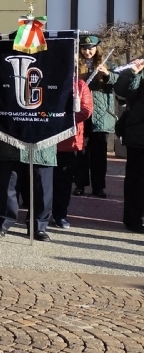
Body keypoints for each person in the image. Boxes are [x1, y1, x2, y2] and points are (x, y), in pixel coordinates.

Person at [76, 35, 117, 198]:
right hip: (81, 114)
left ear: (97, 49)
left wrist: (107, 74)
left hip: (101, 115)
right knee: (81, 152)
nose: (87, 52)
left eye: (91, 48)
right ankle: (79, 184)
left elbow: (118, 83)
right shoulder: (75, 66)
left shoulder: (108, 64)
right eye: (84, 48)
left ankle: (99, 187)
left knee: (99, 155)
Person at [54, 77, 93, 229]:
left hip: (68, 139)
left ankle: (60, 214)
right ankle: (41, 213)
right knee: (43, 181)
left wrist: (62, 118)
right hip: (45, 139)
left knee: (63, 182)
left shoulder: (80, 84)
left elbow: (86, 110)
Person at [114, 59, 144, 233]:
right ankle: (133, 219)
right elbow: (123, 92)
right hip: (138, 136)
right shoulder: (137, 67)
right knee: (136, 180)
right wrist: (133, 73)